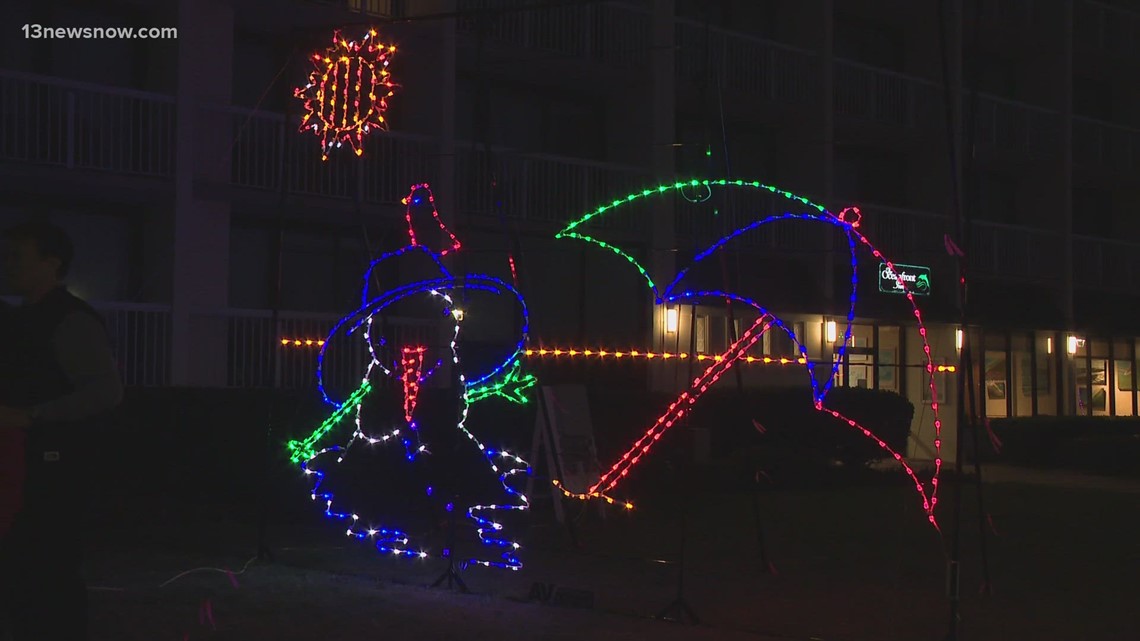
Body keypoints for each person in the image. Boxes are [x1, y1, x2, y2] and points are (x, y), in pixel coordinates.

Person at [0, 221, 123, 641]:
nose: (9, 264)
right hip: (20, 463)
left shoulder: (68, 320)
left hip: (54, 467)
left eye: (19, 256)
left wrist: (33, 415)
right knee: (21, 570)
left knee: (50, 570)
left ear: (51, 263)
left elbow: (106, 391)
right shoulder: (21, 319)